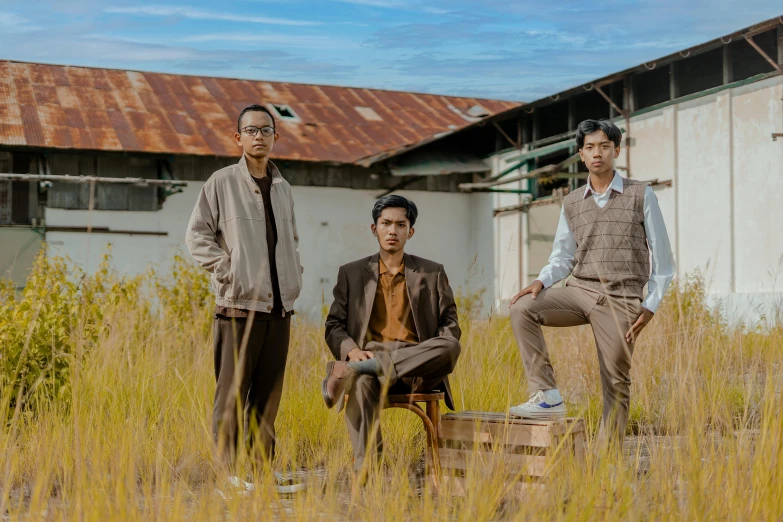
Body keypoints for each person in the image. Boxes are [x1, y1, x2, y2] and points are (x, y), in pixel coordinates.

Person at [508, 119, 675, 452]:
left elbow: (664, 259)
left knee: (615, 381)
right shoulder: (571, 202)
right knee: (522, 307)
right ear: (580, 154)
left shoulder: (641, 193)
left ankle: (606, 457)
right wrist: (541, 281)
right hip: (580, 291)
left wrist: (650, 305)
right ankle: (548, 396)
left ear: (616, 149)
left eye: (603, 146)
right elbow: (563, 256)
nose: (596, 153)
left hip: (622, 299)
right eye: (589, 147)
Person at [185, 104, 304, 494]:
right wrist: (227, 269)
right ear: (238, 138)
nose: (259, 136)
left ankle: (259, 471)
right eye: (250, 130)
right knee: (232, 394)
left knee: (268, 394)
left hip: (279, 307)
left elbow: (292, 241)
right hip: (238, 306)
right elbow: (197, 236)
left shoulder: (284, 189)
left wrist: (295, 276)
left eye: (266, 130)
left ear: (276, 137)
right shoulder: (221, 182)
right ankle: (229, 475)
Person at [322, 195, 461, 473]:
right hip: (370, 362)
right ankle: (368, 474)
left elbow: (450, 326)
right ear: (375, 229)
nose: (392, 230)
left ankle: (361, 368)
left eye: (400, 224)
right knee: (361, 384)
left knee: (450, 347)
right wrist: (351, 351)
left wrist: (362, 364)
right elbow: (334, 325)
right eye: (386, 223)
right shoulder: (350, 273)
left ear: (410, 231)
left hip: (418, 368)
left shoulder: (432, 272)